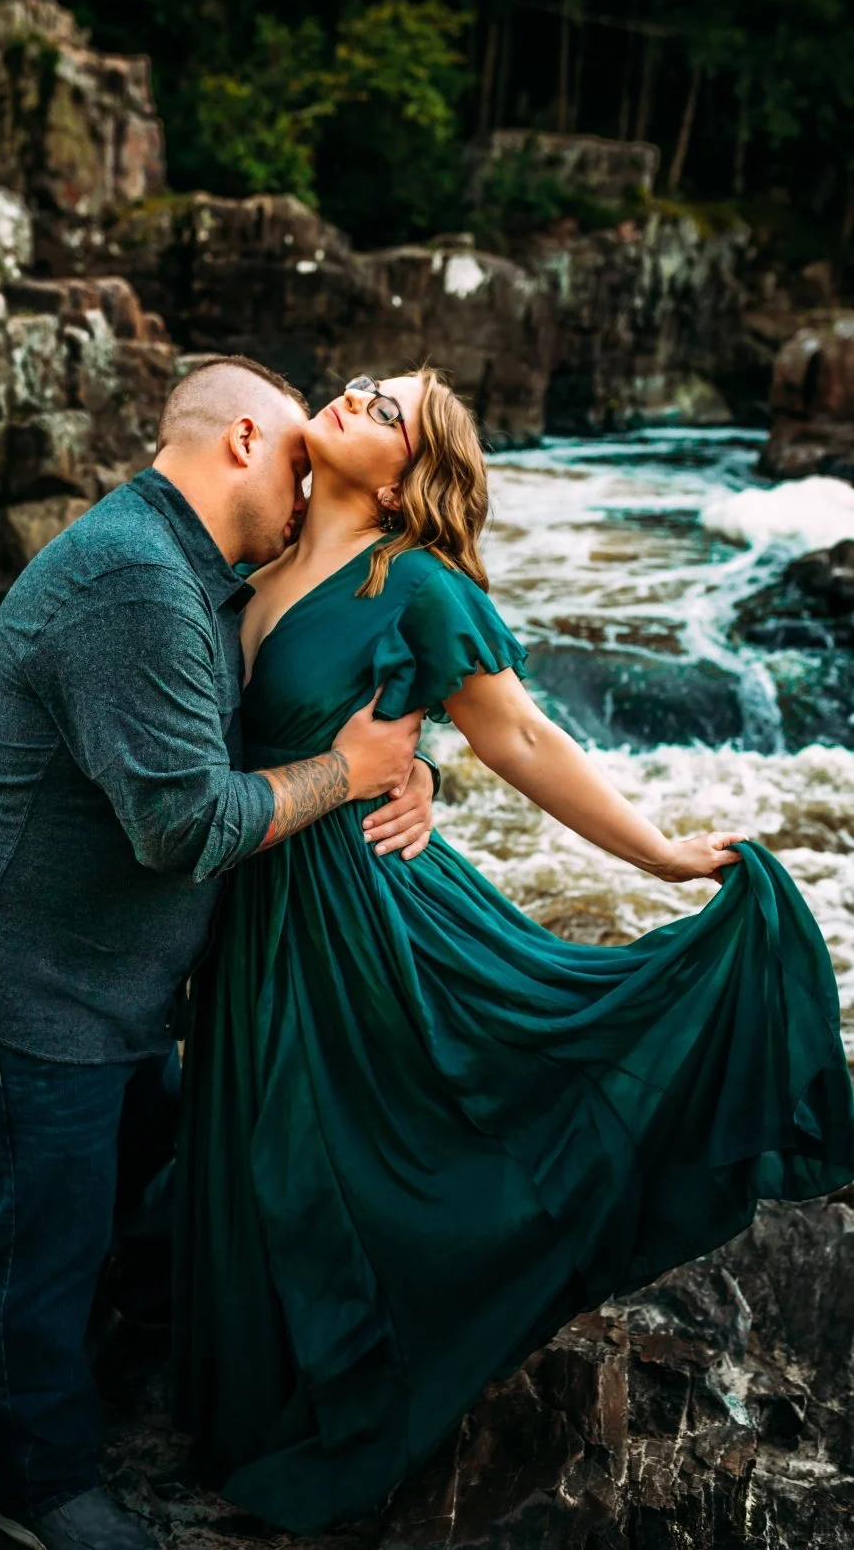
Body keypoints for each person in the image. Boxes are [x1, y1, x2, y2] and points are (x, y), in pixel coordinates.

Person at [172, 368, 854, 1533]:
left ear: (403, 481)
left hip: (361, 920)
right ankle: (264, 1388)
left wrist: (659, 855)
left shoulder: (417, 584)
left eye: (391, 413)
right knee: (255, 1155)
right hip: (254, 919)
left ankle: (392, 1369)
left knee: (364, 1151)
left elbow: (524, 734)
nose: (357, 399)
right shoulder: (254, 557)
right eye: (365, 386)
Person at [0, 356, 440, 1550]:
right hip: (26, 979)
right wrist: (349, 774)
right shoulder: (133, 582)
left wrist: (416, 768)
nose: (309, 493)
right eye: (302, 462)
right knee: (44, 1236)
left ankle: (126, 1369)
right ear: (247, 440)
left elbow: (262, 713)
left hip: (114, 979)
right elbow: (186, 822)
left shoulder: (197, 568)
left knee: (147, 1175)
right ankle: (46, 1490)